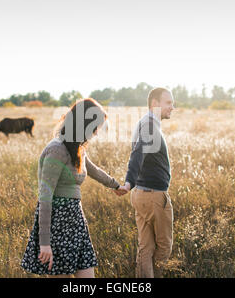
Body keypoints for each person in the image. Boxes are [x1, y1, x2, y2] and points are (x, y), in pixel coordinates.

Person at [21, 98, 128, 278]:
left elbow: (92, 169)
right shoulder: (57, 150)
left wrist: (115, 185)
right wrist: (45, 242)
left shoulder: (76, 148)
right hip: (57, 223)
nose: (95, 134)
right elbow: (45, 198)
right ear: (83, 125)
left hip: (76, 221)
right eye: (94, 128)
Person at [123, 87, 175, 278]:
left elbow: (139, 153)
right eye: (168, 103)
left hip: (141, 194)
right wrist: (129, 181)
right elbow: (138, 153)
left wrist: (131, 184)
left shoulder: (145, 123)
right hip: (154, 196)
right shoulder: (150, 126)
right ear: (155, 104)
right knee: (164, 247)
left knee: (146, 248)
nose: (172, 107)